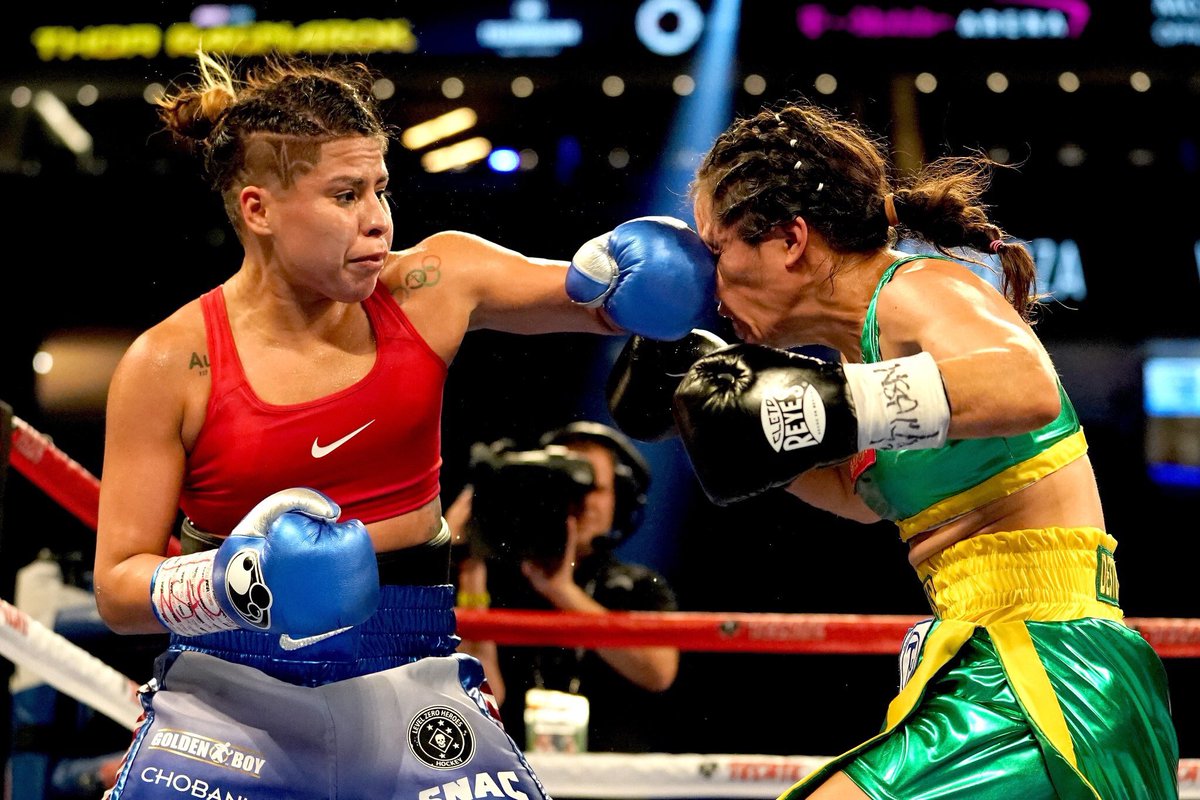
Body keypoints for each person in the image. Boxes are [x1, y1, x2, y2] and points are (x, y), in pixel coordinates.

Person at [91, 51, 715, 799]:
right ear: (258, 210)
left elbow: (605, 296)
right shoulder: (171, 363)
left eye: (380, 189)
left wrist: (639, 279)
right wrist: (239, 583)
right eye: (345, 194)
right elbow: (117, 589)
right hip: (228, 692)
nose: (378, 219)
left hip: (410, 671)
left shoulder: (432, 285)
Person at [610, 101, 1179, 799]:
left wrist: (827, 402)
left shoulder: (917, 289)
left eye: (717, 248)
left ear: (789, 239)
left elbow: (1025, 385)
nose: (711, 283)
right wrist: (730, 426)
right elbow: (860, 497)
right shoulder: (863, 354)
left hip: (1046, 664)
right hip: (993, 658)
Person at [447, 421, 679, 754]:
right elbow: (481, 697)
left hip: (611, 776)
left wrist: (561, 591)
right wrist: (469, 567)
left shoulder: (637, 585)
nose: (577, 499)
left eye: (591, 485)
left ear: (619, 498)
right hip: (518, 774)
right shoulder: (493, 581)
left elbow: (658, 670)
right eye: (564, 482)